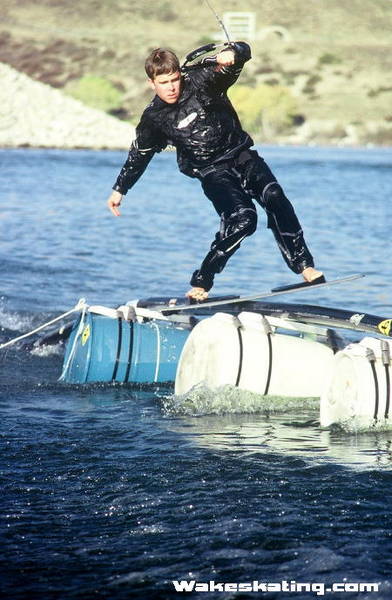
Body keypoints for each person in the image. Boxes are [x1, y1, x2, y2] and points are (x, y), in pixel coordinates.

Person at [107, 42, 323, 301]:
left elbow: (242, 55)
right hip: (212, 172)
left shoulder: (202, 79)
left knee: (275, 196)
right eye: (164, 83)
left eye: (175, 79)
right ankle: (203, 279)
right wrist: (121, 188)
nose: (172, 87)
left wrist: (234, 53)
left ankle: (303, 265)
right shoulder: (154, 119)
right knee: (244, 220)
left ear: (180, 75)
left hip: (242, 156)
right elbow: (139, 155)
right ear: (152, 83)